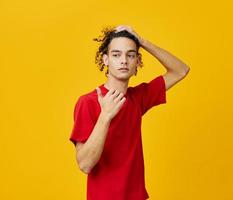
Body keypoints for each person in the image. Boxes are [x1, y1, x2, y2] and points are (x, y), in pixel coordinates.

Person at [69, 25, 190, 200]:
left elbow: (181, 70)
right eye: (116, 55)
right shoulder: (87, 102)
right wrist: (105, 116)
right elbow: (85, 164)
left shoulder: (137, 98)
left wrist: (142, 41)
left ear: (137, 62)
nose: (124, 60)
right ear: (106, 60)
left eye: (130, 55)